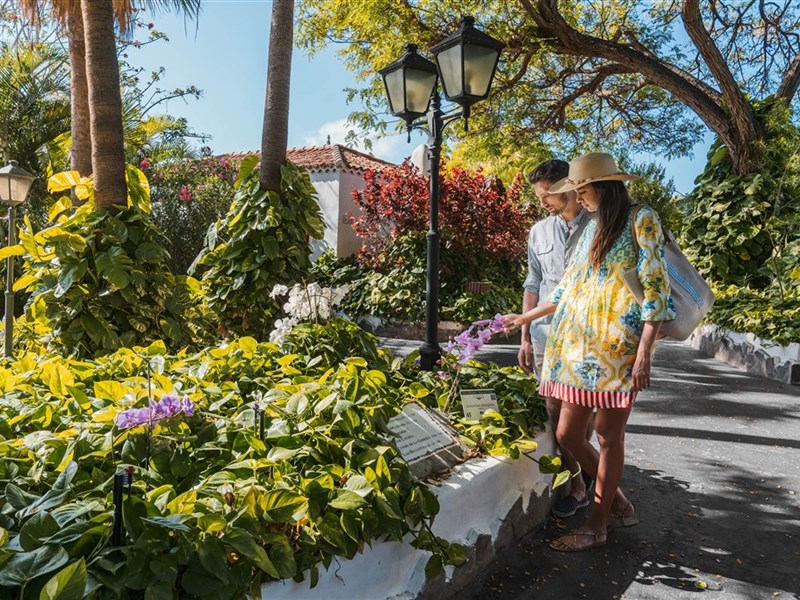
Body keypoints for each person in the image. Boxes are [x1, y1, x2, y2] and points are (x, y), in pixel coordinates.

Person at [503, 152, 675, 552]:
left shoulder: (640, 217)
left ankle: (597, 525)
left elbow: (656, 289)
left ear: (601, 186)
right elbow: (565, 291)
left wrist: (646, 352)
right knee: (567, 433)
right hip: (574, 348)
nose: (578, 196)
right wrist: (524, 318)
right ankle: (616, 501)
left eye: (581, 189)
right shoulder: (590, 228)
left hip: (617, 350)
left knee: (608, 436)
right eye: (575, 190)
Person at [521, 159, 594, 518]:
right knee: (553, 411)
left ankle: (592, 472)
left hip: (587, 339)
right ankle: (577, 486)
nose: (543, 203)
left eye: (547, 195)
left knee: (581, 418)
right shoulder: (538, 231)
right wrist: (524, 335)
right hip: (544, 336)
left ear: (569, 187)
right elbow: (533, 283)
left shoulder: (598, 227)